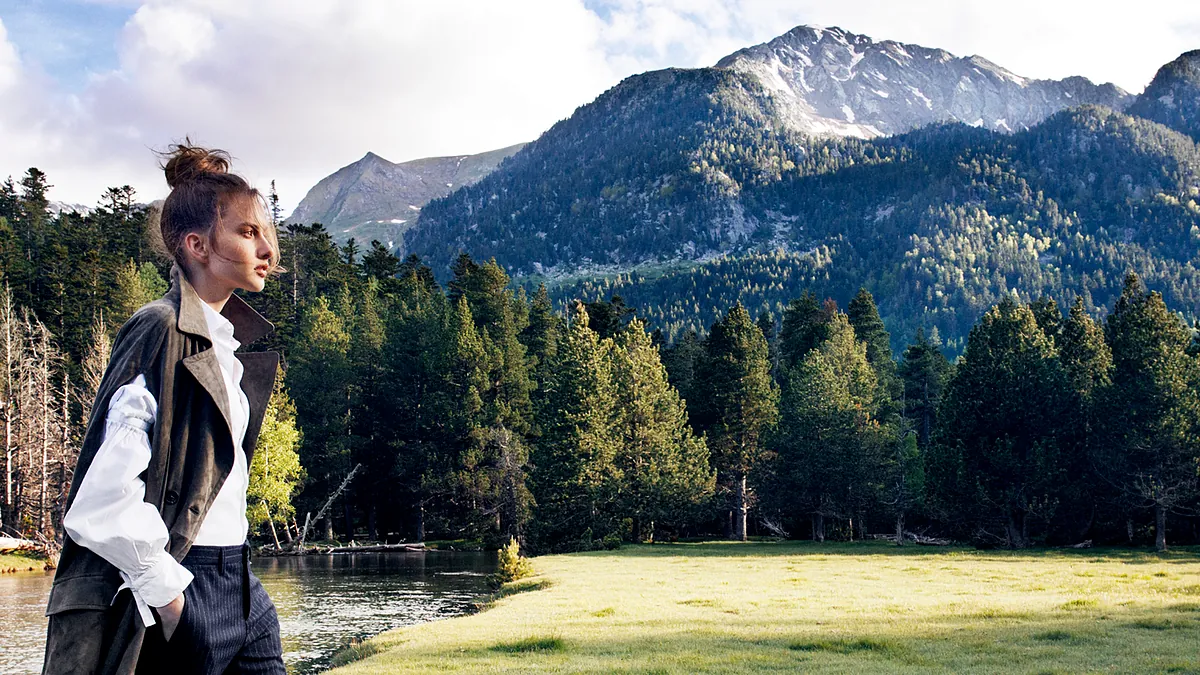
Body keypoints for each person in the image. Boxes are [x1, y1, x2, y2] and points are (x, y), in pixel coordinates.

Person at [42, 143, 285, 675]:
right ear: (197, 245)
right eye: (248, 232)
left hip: (242, 585)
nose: (268, 249)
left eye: (265, 232)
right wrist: (172, 600)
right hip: (181, 585)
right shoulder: (159, 328)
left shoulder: (225, 347)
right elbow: (101, 497)